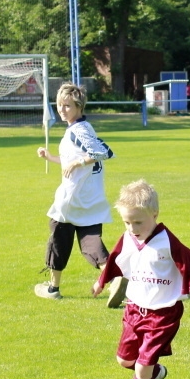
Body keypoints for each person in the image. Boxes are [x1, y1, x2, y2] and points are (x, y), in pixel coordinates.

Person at [93, 180, 190, 379]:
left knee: (141, 366)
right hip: (133, 310)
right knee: (125, 360)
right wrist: (101, 282)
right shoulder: (128, 238)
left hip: (162, 314)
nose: (132, 229)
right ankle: (154, 373)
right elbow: (115, 259)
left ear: (155, 214)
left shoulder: (167, 243)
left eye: (138, 222)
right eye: (127, 222)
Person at [35, 83, 119, 301]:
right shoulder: (84, 128)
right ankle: (115, 280)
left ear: (79, 106)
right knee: (91, 242)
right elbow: (69, 161)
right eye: (60, 105)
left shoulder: (78, 130)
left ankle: (53, 289)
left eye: (68, 106)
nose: (62, 110)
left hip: (72, 199)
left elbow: (104, 152)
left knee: (58, 239)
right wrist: (50, 157)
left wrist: (78, 162)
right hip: (91, 198)